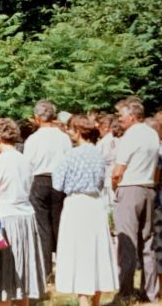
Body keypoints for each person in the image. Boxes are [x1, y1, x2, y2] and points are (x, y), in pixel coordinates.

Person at [53, 114, 118, 306]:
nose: (70, 133)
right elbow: (100, 180)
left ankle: (83, 299)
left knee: (78, 250)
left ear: (79, 131)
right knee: (96, 250)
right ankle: (96, 299)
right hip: (95, 204)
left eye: (72, 129)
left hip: (76, 204)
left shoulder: (70, 155)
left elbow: (57, 183)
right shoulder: (99, 153)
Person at [0, 118, 45, 305]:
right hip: (26, 215)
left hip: (4, 216)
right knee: (23, 267)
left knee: (3, 270)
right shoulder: (25, 160)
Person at [112, 98, 159, 302]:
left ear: (132, 116)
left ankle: (126, 291)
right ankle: (150, 291)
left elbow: (118, 170)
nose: (119, 119)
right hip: (149, 187)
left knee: (127, 241)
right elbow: (158, 167)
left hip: (130, 188)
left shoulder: (130, 136)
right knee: (148, 242)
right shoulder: (152, 134)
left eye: (121, 116)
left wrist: (115, 187)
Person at [23, 99, 71, 278]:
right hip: (60, 180)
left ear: (37, 117)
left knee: (42, 226)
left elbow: (27, 165)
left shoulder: (33, 139)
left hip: (39, 180)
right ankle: (64, 267)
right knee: (59, 223)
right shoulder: (63, 137)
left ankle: (45, 270)